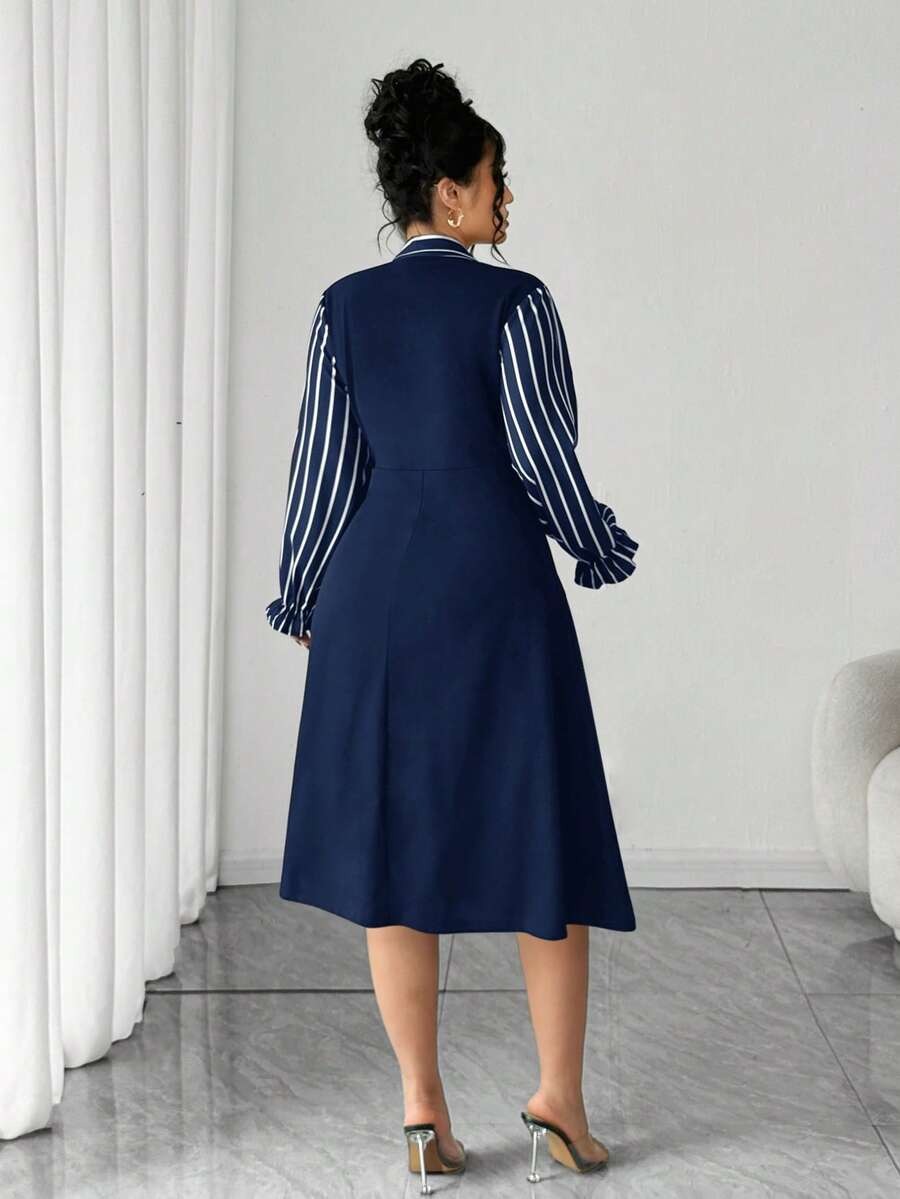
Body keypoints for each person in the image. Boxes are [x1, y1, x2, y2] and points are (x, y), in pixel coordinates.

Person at [265, 57, 640, 1188]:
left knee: (395, 851)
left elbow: (324, 470)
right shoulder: (516, 303)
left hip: (375, 596)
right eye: (494, 178)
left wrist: (301, 592)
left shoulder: (344, 306)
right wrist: (596, 541)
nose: (506, 198)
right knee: (541, 835)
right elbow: (541, 455)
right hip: (493, 590)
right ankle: (558, 1104)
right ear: (449, 193)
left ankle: (422, 1113)